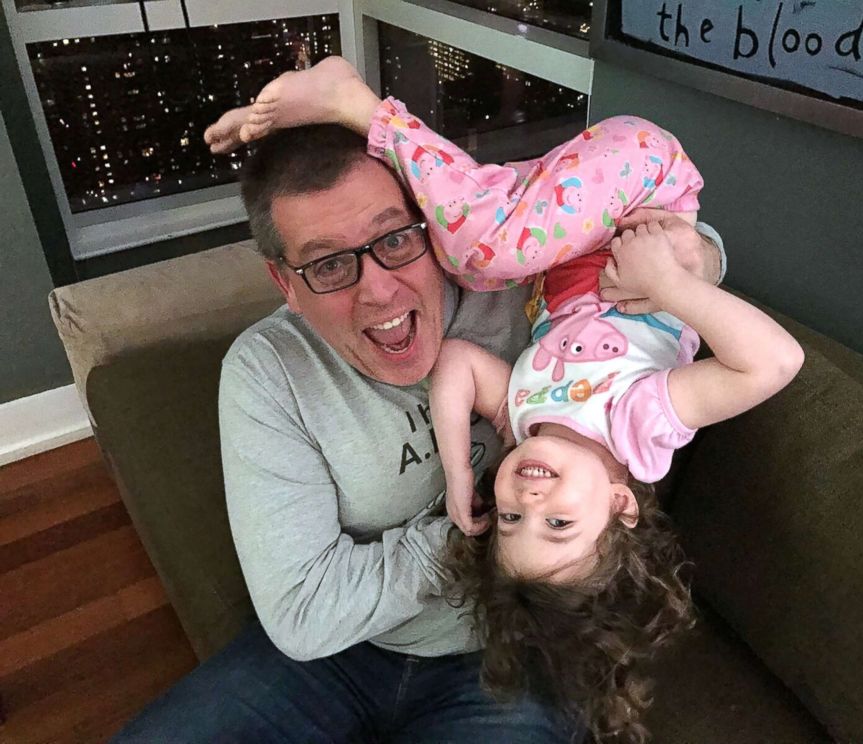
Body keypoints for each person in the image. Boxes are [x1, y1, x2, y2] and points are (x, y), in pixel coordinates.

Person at [112, 61, 725, 743]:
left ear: (434, 220)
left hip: (504, 652)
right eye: (328, 263)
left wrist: (698, 254)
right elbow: (305, 613)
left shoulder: (517, 279)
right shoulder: (268, 372)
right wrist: (496, 524)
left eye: (396, 239)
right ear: (284, 283)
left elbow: (640, 222)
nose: (378, 291)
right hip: (335, 661)